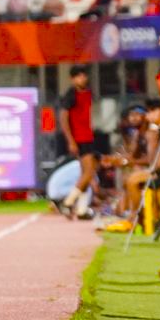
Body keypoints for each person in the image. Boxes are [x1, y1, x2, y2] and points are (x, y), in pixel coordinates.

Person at [55, 65, 98, 219]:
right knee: (89, 172)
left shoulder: (87, 92)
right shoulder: (70, 95)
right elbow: (63, 118)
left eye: (84, 75)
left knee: (85, 174)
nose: (83, 79)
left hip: (88, 135)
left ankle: (81, 209)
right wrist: (70, 140)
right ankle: (67, 202)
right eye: (79, 76)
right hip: (79, 138)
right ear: (72, 79)